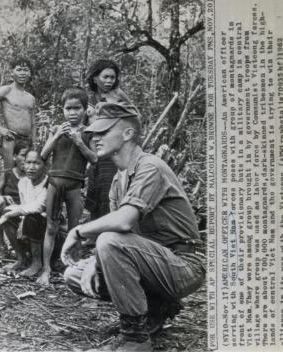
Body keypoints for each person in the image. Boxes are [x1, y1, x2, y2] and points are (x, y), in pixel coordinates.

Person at [61, 102, 205, 352]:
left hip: (183, 264)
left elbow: (124, 222)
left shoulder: (150, 167)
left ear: (127, 134)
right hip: (150, 259)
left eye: (104, 132)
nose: (95, 138)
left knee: (108, 241)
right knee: (74, 275)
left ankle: (135, 337)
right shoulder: (119, 179)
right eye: (93, 133)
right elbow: (122, 233)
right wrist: (96, 262)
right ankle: (157, 305)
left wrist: (77, 230)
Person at [36, 87, 97, 285]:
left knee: (75, 229)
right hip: (55, 183)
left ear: (85, 109)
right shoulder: (56, 129)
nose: (72, 112)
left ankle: (73, 271)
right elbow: (43, 155)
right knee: (51, 227)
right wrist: (56, 136)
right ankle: (46, 269)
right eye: (68, 108)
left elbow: (94, 158)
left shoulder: (88, 133)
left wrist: (79, 141)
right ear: (62, 110)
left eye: (77, 108)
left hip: (74, 187)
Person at [85, 59, 140, 220]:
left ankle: (108, 230)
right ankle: (94, 233)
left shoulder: (118, 95)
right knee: (95, 189)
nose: (109, 81)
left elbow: (136, 118)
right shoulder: (89, 97)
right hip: (95, 150)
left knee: (108, 188)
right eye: (105, 77)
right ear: (95, 78)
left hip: (113, 149)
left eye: (112, 77)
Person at [0, 57, 36, 171]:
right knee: (9, 173)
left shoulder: (30, 98)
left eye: (25, 70)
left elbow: (33, 123)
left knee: (27, 173)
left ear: (30, 73)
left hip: (27, 140)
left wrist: (34, 142)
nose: (22, 73)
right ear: (12, 73)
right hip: (11, 138)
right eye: (19, 69)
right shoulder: (6, 90)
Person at [0, 148, 48, 273]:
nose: (31, 167)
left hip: (49, 233)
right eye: (28, 162)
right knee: (7, 212)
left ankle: (37, 263)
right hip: (32, 227)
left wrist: (10, 215)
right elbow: (25, 205)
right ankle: (22, 258)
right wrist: (8, 214)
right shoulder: (23, 182)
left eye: (36, 163)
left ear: (45, 165)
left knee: (33, 217)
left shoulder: (49, 183)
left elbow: (38, 207)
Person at [0, 143, 27, 251]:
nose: (25, 159)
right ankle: (0, 235)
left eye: (27, 156)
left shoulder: (31, 176)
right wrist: (5, 197)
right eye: (23, 155)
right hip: (8, 207)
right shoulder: (8, 174)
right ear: (15, 157)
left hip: (24, 208)